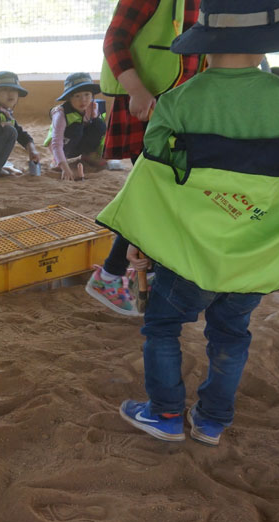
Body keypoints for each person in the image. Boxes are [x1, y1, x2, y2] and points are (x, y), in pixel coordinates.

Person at [96, 0, 279, 446]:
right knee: (232, 332)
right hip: (257, 252)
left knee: (163, 325)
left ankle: (164, 413)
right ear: (265, 47)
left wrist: (137, 241)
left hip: (188, 254)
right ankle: (212, 421)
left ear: (205, 43)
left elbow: (153, 182)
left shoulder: (179, 101)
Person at [87, 0, 201, 316]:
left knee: (159, 191)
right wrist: (136, 89)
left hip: (183, 107)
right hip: (145, 104)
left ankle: (136, 271)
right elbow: (114, 40)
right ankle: (110, 275)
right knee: (154, 190)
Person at [44, 72, 107, 180]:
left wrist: (102, 154)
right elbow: (56, 142)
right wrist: (64, 167)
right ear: (69, 98)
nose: (83, 100)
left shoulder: (93, 107)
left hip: (79, 140)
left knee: (99, 125)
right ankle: (57, 160)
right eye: (77, 96)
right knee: (76, 128)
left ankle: (88, 155)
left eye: (87, 94)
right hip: (63, 146)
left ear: (92, 95)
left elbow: (102, 134)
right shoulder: (61, 113)